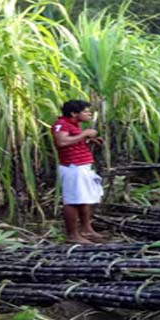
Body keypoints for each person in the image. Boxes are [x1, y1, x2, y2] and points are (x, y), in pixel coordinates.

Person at [52, 99, 104, 244]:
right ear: (74, 113)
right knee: (72, 201)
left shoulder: (73, 125)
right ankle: (72, 235)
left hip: (82, 166)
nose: (89, 114)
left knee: (84, 198)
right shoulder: (60, 124)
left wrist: (88, 140)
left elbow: (71, 142)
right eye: (86, 111)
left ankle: (86, 229)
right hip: (72, 167)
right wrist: (85, 134)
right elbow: (61, 142)